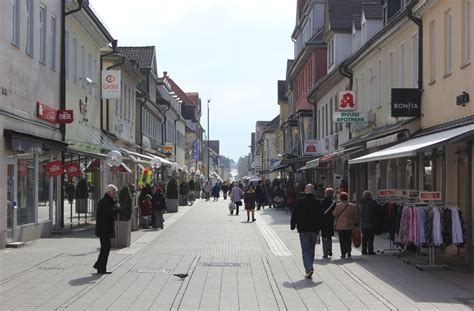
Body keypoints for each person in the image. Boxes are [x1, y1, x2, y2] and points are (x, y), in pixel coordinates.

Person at [290, 184, 324, 279]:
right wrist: (322, 228)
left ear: (305, 191)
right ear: (313, 191)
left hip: (303, 229)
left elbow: (295, 213)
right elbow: (322, 216)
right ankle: (309, 267)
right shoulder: (318, 202)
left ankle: (309, 268)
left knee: (305, 250)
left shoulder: (300, 202)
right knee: (311, 249)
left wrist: (293, 225)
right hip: (314, 229)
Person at [94, 184, 119, 274]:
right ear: (109, 192)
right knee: (105, 249)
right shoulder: (106, 201)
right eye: (114, 192)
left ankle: (99, 265)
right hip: (104, 229)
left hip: (104, 228)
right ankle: (101, 268)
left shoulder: (107, 201)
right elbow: (110, 213)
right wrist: (117, 207)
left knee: (105, 248)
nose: (115, 194)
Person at [333, 192, 357, 259]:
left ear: (340, 198)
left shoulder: (338, 205)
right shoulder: (351, 206)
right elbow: (354, 215)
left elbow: (334, 214)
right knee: (349, 239)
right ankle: (349, 251)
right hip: (349, 225)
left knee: (342, 240)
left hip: (340, 225)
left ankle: (343, 253)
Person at [359, 190, 379, 255]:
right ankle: (370, 251)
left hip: (363, 223)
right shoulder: (373, 202)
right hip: (371, 222)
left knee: (364, 237)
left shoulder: (361, 203)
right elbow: (378, 210)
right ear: (370, 196)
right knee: (371, 238)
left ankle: (364, 251)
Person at [320, 188, 336, 258]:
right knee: (329, 236)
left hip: (323, 221)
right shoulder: (334, 203)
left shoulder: (321, 201)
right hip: (330, 221)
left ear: (325, 194)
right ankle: (329, 249)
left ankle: (325, 253)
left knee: (324, 236)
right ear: (332, 194)